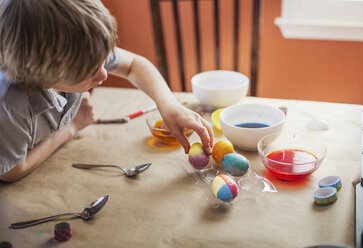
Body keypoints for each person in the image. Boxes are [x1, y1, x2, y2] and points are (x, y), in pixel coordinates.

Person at [0, 0, 213, 182]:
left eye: (104, 62)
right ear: (42, 74)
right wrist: (72, 127)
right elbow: (12, 170)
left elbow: (134, 65)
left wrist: (168, 105)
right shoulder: (10, 103)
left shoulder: (80, 48)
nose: (104, 75)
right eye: (90, 72)